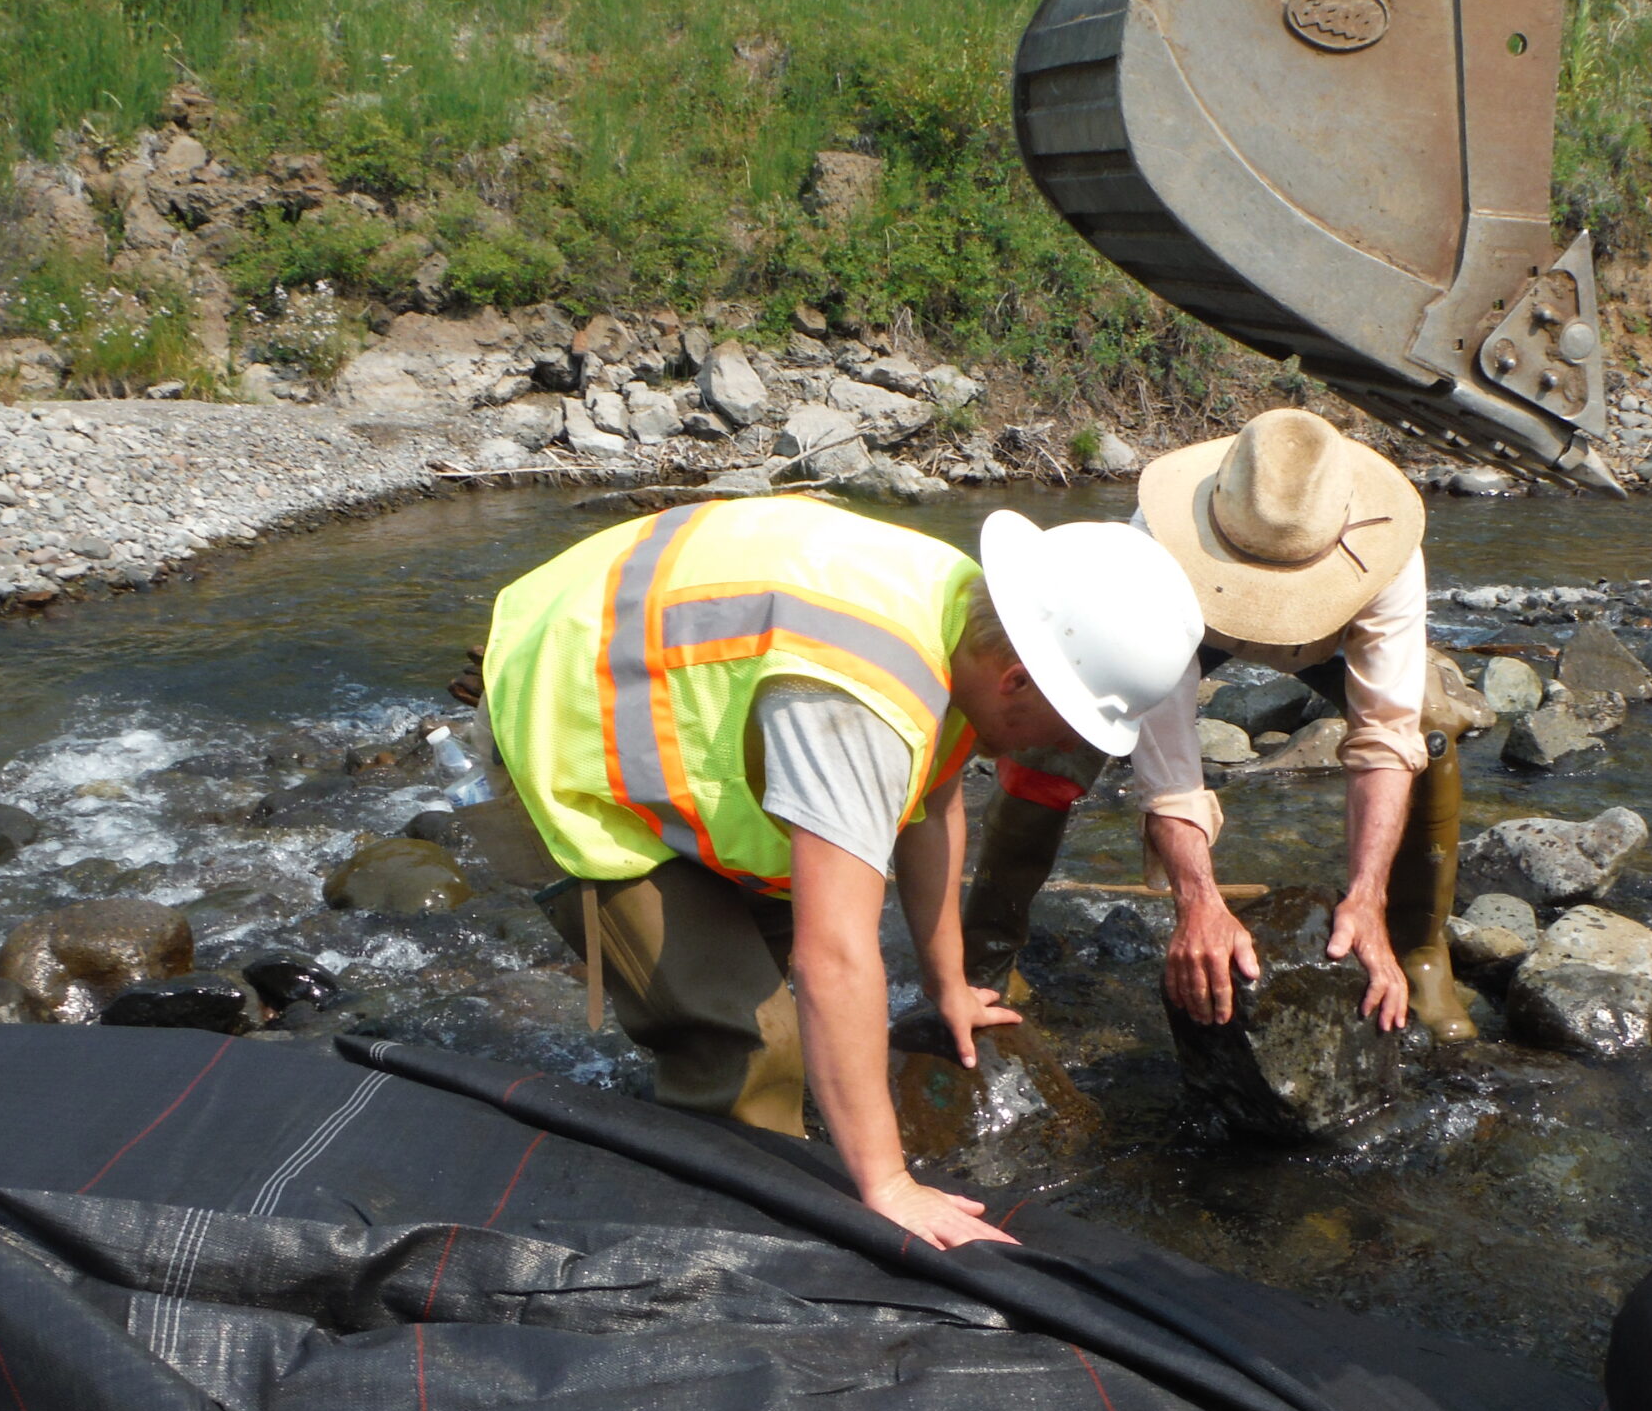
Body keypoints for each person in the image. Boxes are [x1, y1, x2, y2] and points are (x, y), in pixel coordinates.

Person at [475, 496, 1202, 1250]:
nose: (1068, 747)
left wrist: (947, 981)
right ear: (1018, 680)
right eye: (1075, 723)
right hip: (564, 725)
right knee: (752, 1043)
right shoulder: (862, 694)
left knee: (788, 988)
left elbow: (933, 801)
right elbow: (834, 957)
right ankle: (743, 1249)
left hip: (663, 671)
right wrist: (888, 1186)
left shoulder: (967, 617)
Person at [957, 407, 1475, 1042]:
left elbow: (1383, 738)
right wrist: (1198, 901)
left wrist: (1367, 896)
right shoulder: (1159, 540)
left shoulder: (1387, 549)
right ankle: (984, 955)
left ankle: (1419, 951)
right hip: (1192, 621)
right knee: (1054, 736)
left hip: (1335, 634)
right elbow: (1169, 769)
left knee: (1427, 734)